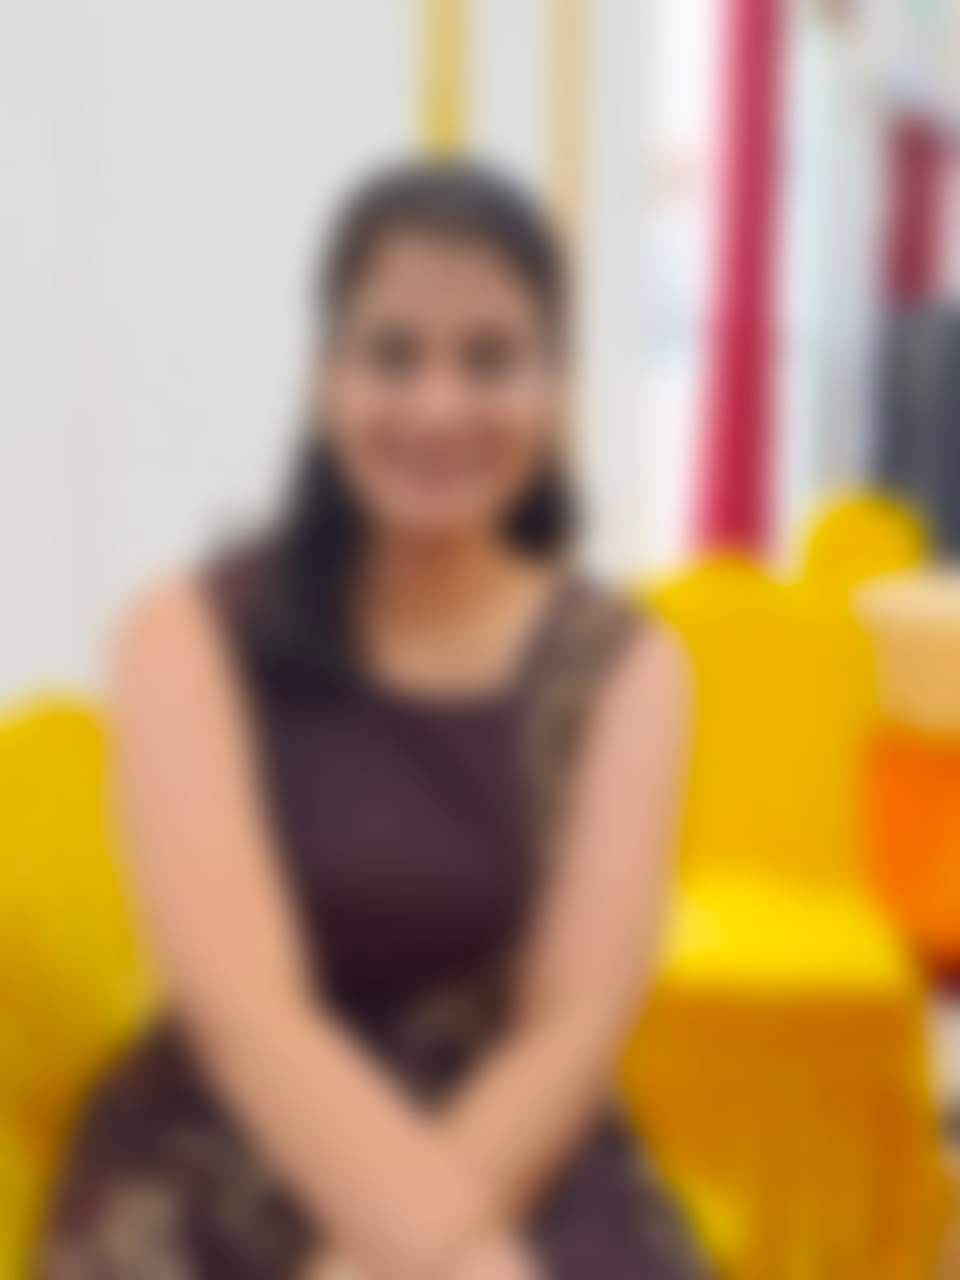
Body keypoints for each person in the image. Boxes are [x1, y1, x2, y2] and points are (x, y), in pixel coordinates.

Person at [42, 161, 705, 1279]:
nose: (439, 406)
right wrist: (440, 1253)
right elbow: (244, 1009)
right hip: (229, 1138)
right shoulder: (184, 636)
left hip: (515, 1141)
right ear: (326, 381)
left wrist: (402, 1253)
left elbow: (573, 1026)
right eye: (393, 354)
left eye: (490, 358)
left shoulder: (625, 670)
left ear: (554, 389)